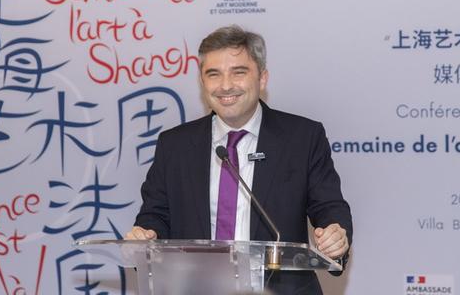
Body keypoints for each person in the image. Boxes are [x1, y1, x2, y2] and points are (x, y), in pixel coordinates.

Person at [126, 25, 352, 294]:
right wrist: (146, 235)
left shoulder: (302, 138)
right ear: (202, 81)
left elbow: (329, 207)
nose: (225, 86)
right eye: (213, 74)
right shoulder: (174, 145)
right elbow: (155, 216)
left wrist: (335, 236)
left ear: (262, 78)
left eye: (238, 72)